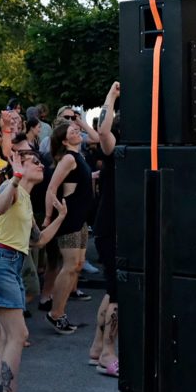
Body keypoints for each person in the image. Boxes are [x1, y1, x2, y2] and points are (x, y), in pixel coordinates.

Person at [0, 144, 69, 392]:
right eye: (34, 162)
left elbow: (38, 240)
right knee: (19, 335)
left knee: (9, 337)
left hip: (8, 262)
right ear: (18, 167)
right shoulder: (11, 187)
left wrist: (62, 217)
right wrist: (15, 177)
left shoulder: (26, 198)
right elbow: (1, 207)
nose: (41, 165)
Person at [43, 117, 100, 334]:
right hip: (70, 219)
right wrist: (49, 217)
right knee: (69, 266)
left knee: (77, 265)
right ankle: (56, 313)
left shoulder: (78, 154)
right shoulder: (68, 158)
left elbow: (96, 137)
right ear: (64, 141)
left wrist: (82, 124)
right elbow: (51, 188)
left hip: (81, 218)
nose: (76, 132)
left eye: (76, 130)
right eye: (72, 131)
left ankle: (60, 311)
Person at [89, 82, 121, 376]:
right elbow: (102, 131)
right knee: (118, 292)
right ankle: (108, 354)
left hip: (113, 228)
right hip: (111, 229)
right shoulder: (114, 150)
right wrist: (110, 96)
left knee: (112, 290)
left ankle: (98, 347)